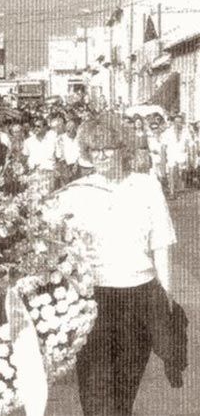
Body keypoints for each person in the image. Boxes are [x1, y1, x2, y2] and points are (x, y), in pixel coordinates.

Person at [48, 116, 178, 415]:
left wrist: (166, 297)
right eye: (95, 150)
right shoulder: (76, 192)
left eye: (108, 148)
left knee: (124, 387)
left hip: (141, 297)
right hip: (93, 299)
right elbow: (54, 244)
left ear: (123, 149)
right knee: (95, 389)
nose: (101, 155)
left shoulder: (146, 186)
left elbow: (161, 243)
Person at [23, 116, 58, 191]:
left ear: (45, 127)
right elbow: (25, 158)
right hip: (33, 174)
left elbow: (58, 157)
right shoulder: (28, 142)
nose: (35, 128)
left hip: (49, 175)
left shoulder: (53, 140)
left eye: (38, 126)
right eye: (34, 126)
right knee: (33, 198)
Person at [162, 114, 192, 198]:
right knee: (171, 171)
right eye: (176, 122)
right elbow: (163, 146)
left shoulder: (186, 132)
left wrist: (189, 156)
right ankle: (172, 192)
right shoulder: (167, 132)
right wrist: (163, 159)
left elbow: (190, 144)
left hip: (182, 155)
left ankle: (177, 189)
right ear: (173, 123)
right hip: (171, 154)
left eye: (180, 122)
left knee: (180, 174)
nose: (178, 124)